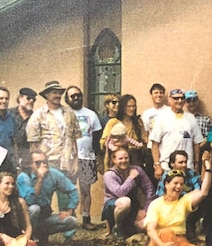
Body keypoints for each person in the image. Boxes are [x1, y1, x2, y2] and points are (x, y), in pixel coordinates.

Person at [145, 157, 212, 246]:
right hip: (158, 245)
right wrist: (162, 245)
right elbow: (150, 229)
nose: (178, 187)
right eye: (175, 183)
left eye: (181, 184)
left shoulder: (184, 201)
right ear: (166, 184)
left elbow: (203, 193)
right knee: (166, 232)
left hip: (180, 241)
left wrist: (208, 168)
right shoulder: (156, 204)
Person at [16, 151, 80, 246]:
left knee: (71, 221)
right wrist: (40, 179)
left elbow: (73, 190)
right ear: (30, 165)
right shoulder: (24, 177)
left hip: (44, 215)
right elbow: (30, 200)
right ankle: (29, 240)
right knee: (35, 209)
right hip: (27, 218)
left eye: (44, 162)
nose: (42, 165)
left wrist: (70, 210)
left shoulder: (53, 173)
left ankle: (42, 235)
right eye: (38, 163)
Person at [64, 85, 103, 231]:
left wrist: (98, 159)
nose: (76, 98)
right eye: (72, 96)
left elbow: (97, 139)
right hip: (69, 159)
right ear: (67, 99)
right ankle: (70, 220)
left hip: (87, 157)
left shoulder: (91, 115)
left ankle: (86, 218)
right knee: (68, 189)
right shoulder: (64, 114)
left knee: (86, 190)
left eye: (78, 95)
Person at [26, 80, 82, 179]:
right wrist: (38, 166)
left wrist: (76, 162)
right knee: (46, 193)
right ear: (47, 95)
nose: (58, 95)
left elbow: (74, 139)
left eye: (59, 93)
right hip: (48, 162)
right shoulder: (38, 115)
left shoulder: (70, 113)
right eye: (54, 92)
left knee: (67, 193)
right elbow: (33, 145)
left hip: (68, 162)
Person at [102, 146, 156, 238]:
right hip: (114, 206)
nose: (124, 161)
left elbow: (149, 188)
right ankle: (117, 227)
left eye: (126, 158)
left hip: (133, 206)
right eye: (120, 158)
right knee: (125, 201)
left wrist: (146, 210)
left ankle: (128, 228)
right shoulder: (109, 175)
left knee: (143, 226)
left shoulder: (137, 170)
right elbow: (120, 193)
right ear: (114, 160)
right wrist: (130, 178)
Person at [150, 88, 204, 178]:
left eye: (182, 98)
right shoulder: (161, 118)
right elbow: (155, 144)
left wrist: (196, 163)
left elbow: (196, 143)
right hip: (166, 168)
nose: (179, 101)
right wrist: (157, 165)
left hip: (187, 167)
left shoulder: (191, 118)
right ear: (169, 100)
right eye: (176, 98)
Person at [100, 94, 149, 174]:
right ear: (122, 107)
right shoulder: (113, 122)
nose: (131, 109)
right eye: (128, 106)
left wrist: (139, 146)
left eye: (133, 106)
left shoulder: (138, 122)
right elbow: (103, 142)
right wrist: (116, 145)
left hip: (135, 159)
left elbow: (144, 141)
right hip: (117, 160)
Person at [9, 87, 37, 165]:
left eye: (33, 100)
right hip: (10, 156)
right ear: (20, 98)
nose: (31, 101)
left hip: (27, 158)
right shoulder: (9, 114)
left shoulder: (35, 118)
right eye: (28, 98)